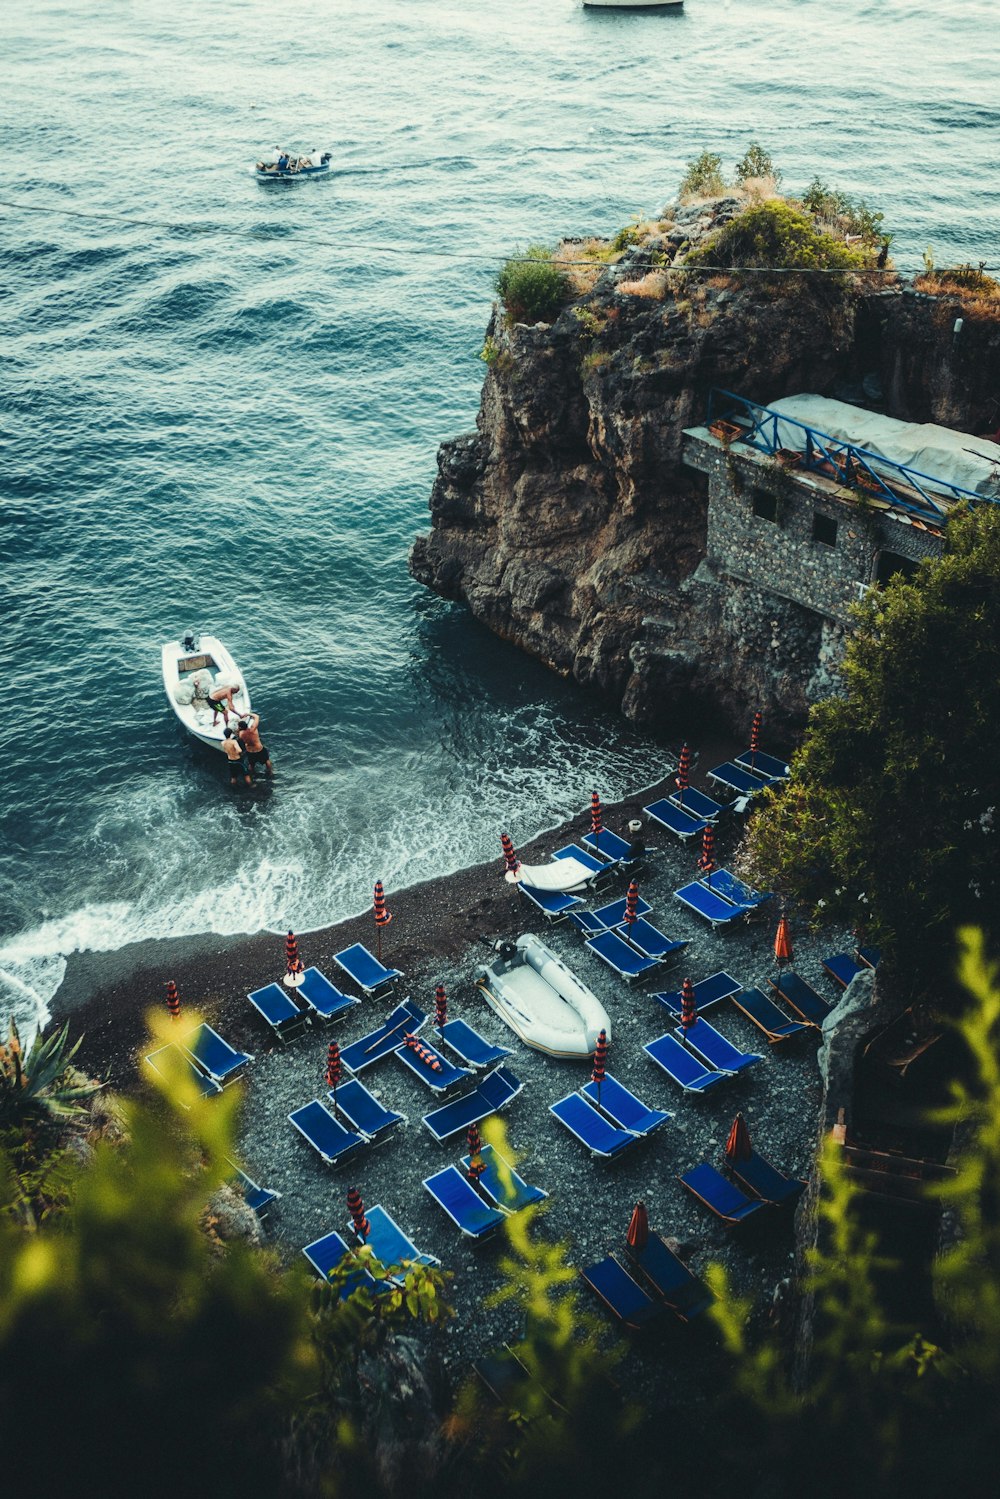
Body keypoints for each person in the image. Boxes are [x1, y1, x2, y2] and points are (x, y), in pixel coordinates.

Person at [237, 713, 274, 778]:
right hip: (259, 749)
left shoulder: (241, 734)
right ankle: (270, 772)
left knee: (251, 764)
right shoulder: (253, 729)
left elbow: (239, 737)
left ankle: (252, 774)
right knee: (266, 760)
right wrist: (247, 714)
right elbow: (257, 716)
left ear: (240, 727)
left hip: (250, 751)